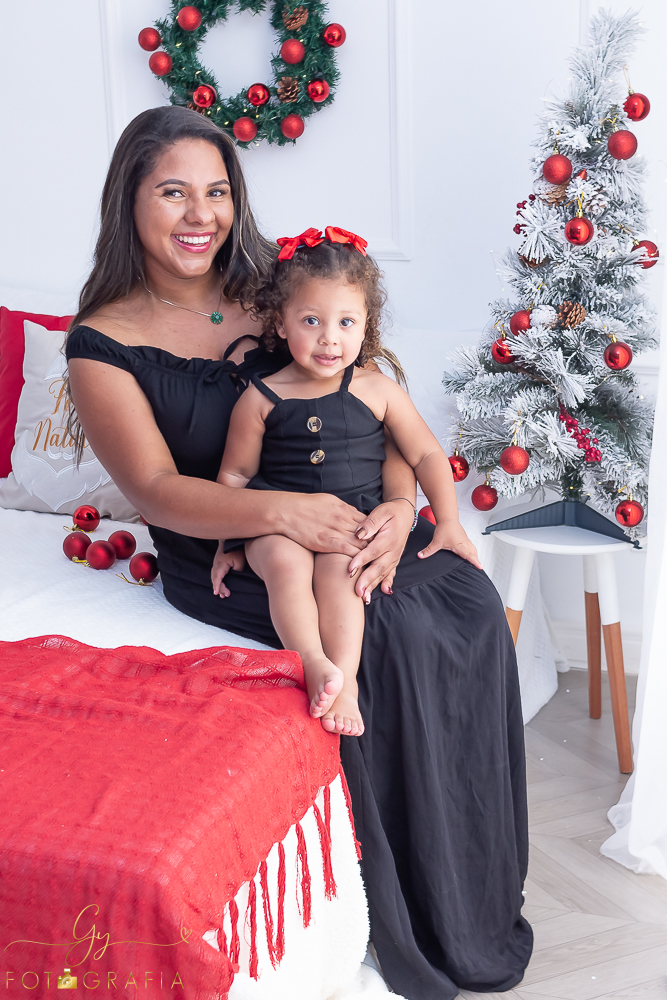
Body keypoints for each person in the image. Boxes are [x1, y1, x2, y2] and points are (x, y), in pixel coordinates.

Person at [65, 106, 533, 1000]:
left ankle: (470, 874)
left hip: (351, 513)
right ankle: (410, 904)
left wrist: (400, 509)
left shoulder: (274, 296)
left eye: (217, 192)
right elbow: (157, 491)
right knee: (384, 630)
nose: (200, 214)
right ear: (128, 202)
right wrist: (292, 518)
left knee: (463, 600)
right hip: (226, 549)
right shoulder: (102, 343)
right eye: (173, 192)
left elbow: (372, 404)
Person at [211, 229, 482, 737]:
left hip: (350, 526)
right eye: (311, 321)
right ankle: (312, 661)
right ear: (281, 322)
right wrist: (228, 542)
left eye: (345, 322)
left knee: (344, 577)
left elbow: (424, 452)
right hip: (277, 525)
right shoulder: (260, 397)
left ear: (366, 326)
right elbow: (235, 476)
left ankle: (346, 681)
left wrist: (449, 522)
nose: (329, 337)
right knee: (286, 568)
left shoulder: (376, 389)